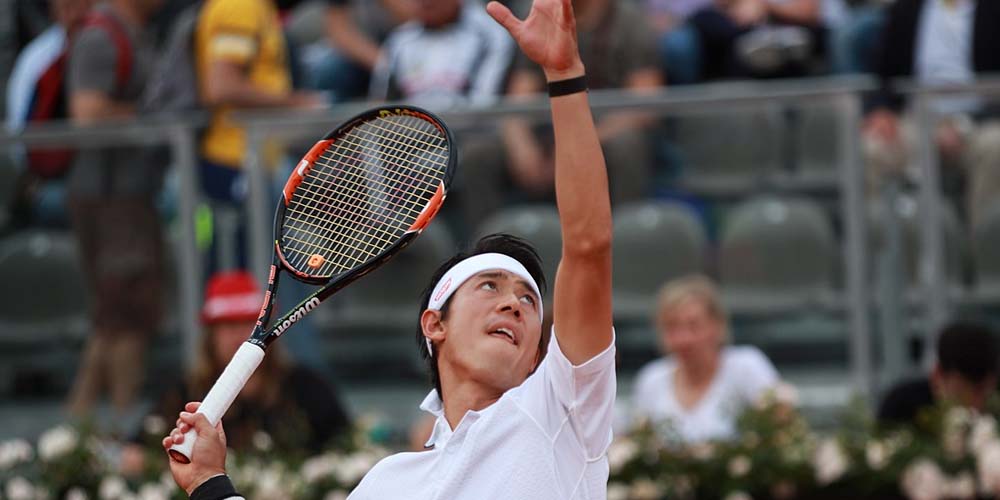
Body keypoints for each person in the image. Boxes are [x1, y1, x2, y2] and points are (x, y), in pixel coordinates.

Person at [163, 1, 616, 498]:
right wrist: (209, 481)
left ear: (536, 358)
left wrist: (564, 76)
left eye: (529, 300)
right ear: (434, 324)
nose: (514, 303)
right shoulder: (388, 482)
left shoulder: (561, 410)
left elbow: (588, 245)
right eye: (490, 286)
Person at [459, 0, 661, 231]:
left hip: (604, 130)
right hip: (548, 130)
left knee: (627, 145)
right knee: (480, 153)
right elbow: (519, 99)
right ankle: (488, 247)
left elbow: (643, 106)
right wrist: (521, 144)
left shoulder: (629, 22)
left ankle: (628, 239)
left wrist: (577, 145)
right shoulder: (541, 15)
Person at [121, 271, 350, 475]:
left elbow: (347, 449)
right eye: (229, 325)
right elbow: (134, 454)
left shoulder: (307, 387)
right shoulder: (185, 393)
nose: (239, 335)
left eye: (248, 323)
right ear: (212, 336)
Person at [65, 0, 167, 417]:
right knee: (123, 314)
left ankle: (83, 427)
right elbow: (86, 113)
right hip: (110, 198)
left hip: (130, 195)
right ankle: (115, 423)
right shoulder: (101, 37)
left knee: (120, 316)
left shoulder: (135, 33)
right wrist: (147, 118)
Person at [195, 0, 322, 272]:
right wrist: (294, 102)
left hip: (257, 162)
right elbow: (221, 86)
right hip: (236, 162)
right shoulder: (241, 5)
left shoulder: (258, 7)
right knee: (246, 276)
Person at [863, 0, 1000, 228]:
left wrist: (962, 125)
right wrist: (880, 110)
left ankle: (984, 241)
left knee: (996, 147)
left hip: (981, 122)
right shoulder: (907, 8)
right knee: (871, 149)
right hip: (918, 121)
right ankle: (880, 242)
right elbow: (883, 75)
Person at [632, 275, 780, 443]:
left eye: (694, 325)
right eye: (671, 327)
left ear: (718, 325)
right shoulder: (651, 379)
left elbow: (779, 431)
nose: (683, 339)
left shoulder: (747, 366)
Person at [367, 0, 514, 109]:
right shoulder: (398, 41)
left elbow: (484, 105)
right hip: (410, 134)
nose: (425, 2)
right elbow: (379, 105)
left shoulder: (491, 34)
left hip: (473, 135)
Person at [878, 321, 999, 426]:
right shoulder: (902, 407)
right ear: (937, 375)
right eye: (963, 394)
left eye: (981, 391)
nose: (975, 404)